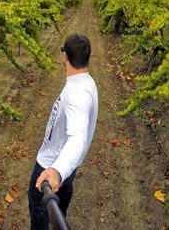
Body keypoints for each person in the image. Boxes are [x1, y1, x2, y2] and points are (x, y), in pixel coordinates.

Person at [28, 32, 99, 229]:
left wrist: (57, 171)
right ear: (88, 58)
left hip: (49, 167)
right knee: (63, 196)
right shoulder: (86, 82)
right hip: (68, 164)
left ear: (65, 56)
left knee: (38, 209)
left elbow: (78, 137)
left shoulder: (78, 94)